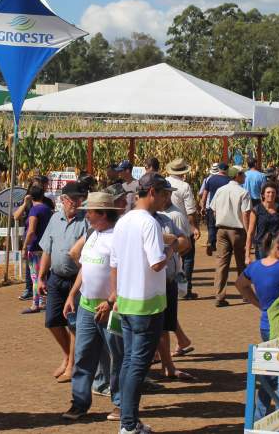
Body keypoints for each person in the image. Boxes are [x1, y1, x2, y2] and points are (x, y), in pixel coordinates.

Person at [109, 172, 172, 434]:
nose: (167, 198)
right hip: (147, 305)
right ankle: (128, 424)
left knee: (127, 363)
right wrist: (173, 247)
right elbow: (156, 263)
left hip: (126, 302)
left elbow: (114, 264)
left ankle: (129, 420)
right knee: (137, 365)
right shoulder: (149, 223)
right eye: (165, 193)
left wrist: (115, 295)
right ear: (153, 192)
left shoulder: (123, 221)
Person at [61, 192, 125, 422]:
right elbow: (85, 268)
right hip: (87, 307)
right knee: (83, 356)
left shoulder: (118, 237)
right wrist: (72, 294)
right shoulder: (92, 234)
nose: (86, 215)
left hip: (110, 308)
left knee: (117, 358)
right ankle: (79, 403)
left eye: (89, 212)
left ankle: (120, 404)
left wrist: (110, 301)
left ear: (103, 213)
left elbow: (125, 273)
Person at [235, 230, 279, 422]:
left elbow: (239, 284)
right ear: (278, 248)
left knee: (269, 375)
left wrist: (259, 304)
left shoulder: (255, 267)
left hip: (265, 325)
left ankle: (257, 417)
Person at [37, 182, 89, 383]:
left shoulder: (85, 221)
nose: (77, 203)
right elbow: (47, 250)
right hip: (55, 278)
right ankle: (68, 355)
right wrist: (41, 276)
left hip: (77, 280)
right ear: (63, 200)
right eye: (73, 199)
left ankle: (72, 365)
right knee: (52, 321)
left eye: (79, 199)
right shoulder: (54, 219)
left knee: (73, 324)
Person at [153, 188, 194, 381]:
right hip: (150, 283)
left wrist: (169, 244)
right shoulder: (137, 221)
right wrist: (168, 241)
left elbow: (185, 243)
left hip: (169, 278)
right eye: (164, 193)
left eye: (167, 193)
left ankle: (167, 364)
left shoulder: (170, 218)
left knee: (165, 325)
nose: (166, 196)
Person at [209, 166, 251, 307]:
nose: (245, 177)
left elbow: (213, 209)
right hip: (237, 231)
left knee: (221, 263)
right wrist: (248, 232)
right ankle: (245, 294)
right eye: (243, 175)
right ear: (237, 176)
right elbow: (245, 214)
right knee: (241, 264)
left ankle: (219, 296)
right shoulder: (243, 192)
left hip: (221, 230)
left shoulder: (221, 190)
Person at [14, 175, 53, 302]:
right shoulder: (29, 203)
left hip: (36, 243)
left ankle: (38, 301)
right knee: (32, 272)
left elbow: (32, 230)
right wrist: (25, 203)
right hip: (36, 242)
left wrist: (25, 246)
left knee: (39, 273)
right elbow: (16, 216)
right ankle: (30, 291)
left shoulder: (45, 203)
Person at [166, 157, 200, 300]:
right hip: (181, 222)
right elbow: (191, 210)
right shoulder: (184, 186)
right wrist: (194, 227)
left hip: (166, 222)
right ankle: (186, 288)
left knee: (170, 255)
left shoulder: (165, 182)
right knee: (187, 256)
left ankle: (170, 285)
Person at [22, 183, 54, 314]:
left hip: (34, 247)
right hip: (45, 246)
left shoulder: (34, 210)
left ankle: (35, 303)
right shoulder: (47, 209)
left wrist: (24, 247)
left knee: (35, 276)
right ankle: (42, 301)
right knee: (43, 275)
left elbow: (31, 231)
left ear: (30, 196)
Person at [246, 182, 279, 262]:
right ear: (263, 195)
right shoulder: (256, 210)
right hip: (261, 248)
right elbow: (250, 233)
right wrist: (247, 255)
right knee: (262, 272)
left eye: (273, 192)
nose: (271, 194)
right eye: (268, 192)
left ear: (277, 194)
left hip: (278, 247)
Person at [200, 163, 231, 256]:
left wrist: (202, 206)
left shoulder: (211, 179)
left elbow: (204, 194)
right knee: (221, 227)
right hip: (224, 207)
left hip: (211, 206)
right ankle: (221, 246)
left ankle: (210, 242)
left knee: (211, 226)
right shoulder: (229, 180)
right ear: (226, 170)